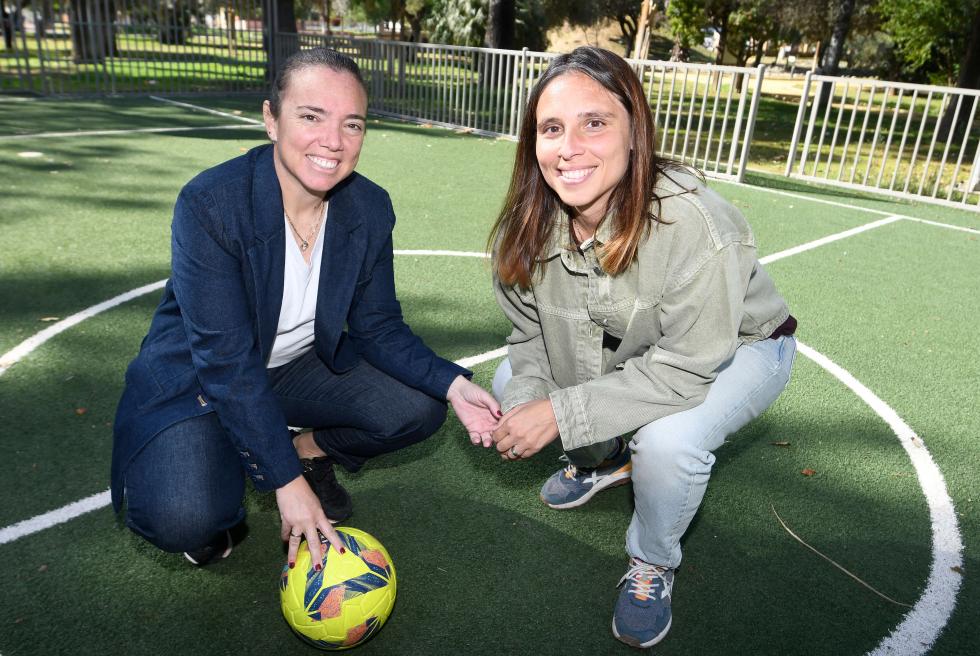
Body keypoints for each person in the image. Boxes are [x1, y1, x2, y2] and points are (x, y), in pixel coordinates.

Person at [110, 48, 500, 570]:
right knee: (187, 515)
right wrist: (284, 487)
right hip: (201, 379)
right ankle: (235, 466)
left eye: (352, 124)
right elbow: (226, 362)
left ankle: (304, 450)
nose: (333, 142)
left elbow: (378, 326)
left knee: (415, 406)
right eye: (311, 116)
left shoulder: (368, 206)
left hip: (294, 369)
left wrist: (453, 384)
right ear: (271, 119)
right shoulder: (212, 204)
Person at [485, 47, 797, 648]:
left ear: (635, 131)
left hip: (738, 347)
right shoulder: (528, 227)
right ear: (533, 145)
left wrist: (561, 413)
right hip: (641, 346)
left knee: (669, 440)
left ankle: (653, 559)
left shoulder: (697, 225)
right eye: (552, 128)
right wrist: (531, 402)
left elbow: (685, 369)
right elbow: (529, 340)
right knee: (509, 387)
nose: (569, 147)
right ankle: (601, 462)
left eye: (594, 122)